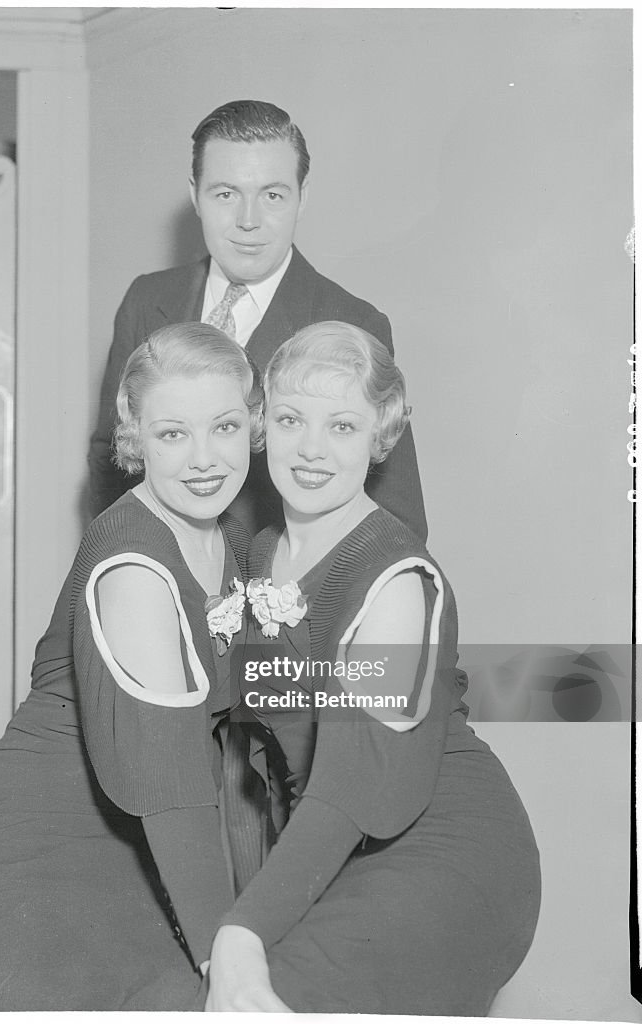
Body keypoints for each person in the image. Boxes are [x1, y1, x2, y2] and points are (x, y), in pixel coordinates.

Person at [205, 322, 541, 1013]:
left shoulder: (393, 578)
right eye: (293, 419)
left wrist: (243, 931)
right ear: (264, 421)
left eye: (344, 426)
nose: (312, 449)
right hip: (337, 848)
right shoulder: (260, 552)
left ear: (380, 436)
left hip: (444, 851)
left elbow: (355, 788)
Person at [0, 324, 264, 1010]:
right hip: (46, 856)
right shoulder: (134, 564)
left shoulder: (227, 538)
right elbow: (169, 786)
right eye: (173, 433)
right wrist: (222, 956)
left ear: (254, 425)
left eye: (225, 426)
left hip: (140, 850)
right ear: (134, 436)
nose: (205, 458)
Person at [88, 99, 426, 540]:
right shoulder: (147, 298)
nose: (249, 220)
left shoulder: (352, 321)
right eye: (226, 194)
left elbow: (397, 515)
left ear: (302, 198)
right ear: (195, 195)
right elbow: (109, 457)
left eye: (272, 195)